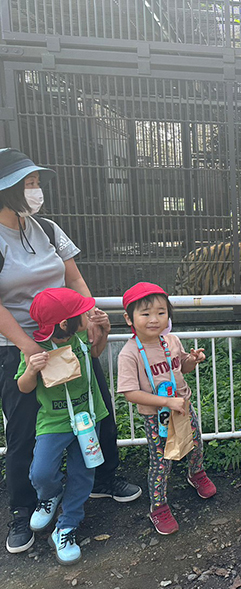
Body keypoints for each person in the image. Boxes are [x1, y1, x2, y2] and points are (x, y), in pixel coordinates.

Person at [0, 148, 140, 554]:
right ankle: (24, 508)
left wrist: (92, 317)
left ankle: (102, 479)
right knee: (25, 428)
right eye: (28, 184)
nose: (36, 190)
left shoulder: (46, 227)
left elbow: (74, 276)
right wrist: (29, 348)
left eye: (37, 182)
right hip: (19, 347)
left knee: (97, 406)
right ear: (6, 190)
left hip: (68, 339)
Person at [16, 289, 109, 564]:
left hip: (89, 417)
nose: (85, 314)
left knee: (84, 474)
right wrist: (32, 370)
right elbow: (23, 386)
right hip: (54, 422)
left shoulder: (81, 337)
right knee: (42, 472)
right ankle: (51, 494)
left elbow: (96, 353)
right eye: (80, 313)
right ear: (65, 323)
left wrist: (103, 329)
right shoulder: (36, 348)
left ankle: (67, 526)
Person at [116, 282, 216, 535]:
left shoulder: (171, 340)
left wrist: (192, 360)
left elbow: (181, 368)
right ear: (129, 318)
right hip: (156, 416)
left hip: (182, 406)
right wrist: (166, 402)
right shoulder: (129, 354)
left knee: (195, 444)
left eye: (161, 312)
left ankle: (196, 473)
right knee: (161, 461)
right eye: (146, 313)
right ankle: (158, 506)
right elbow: (130, 393)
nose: (154, 319)